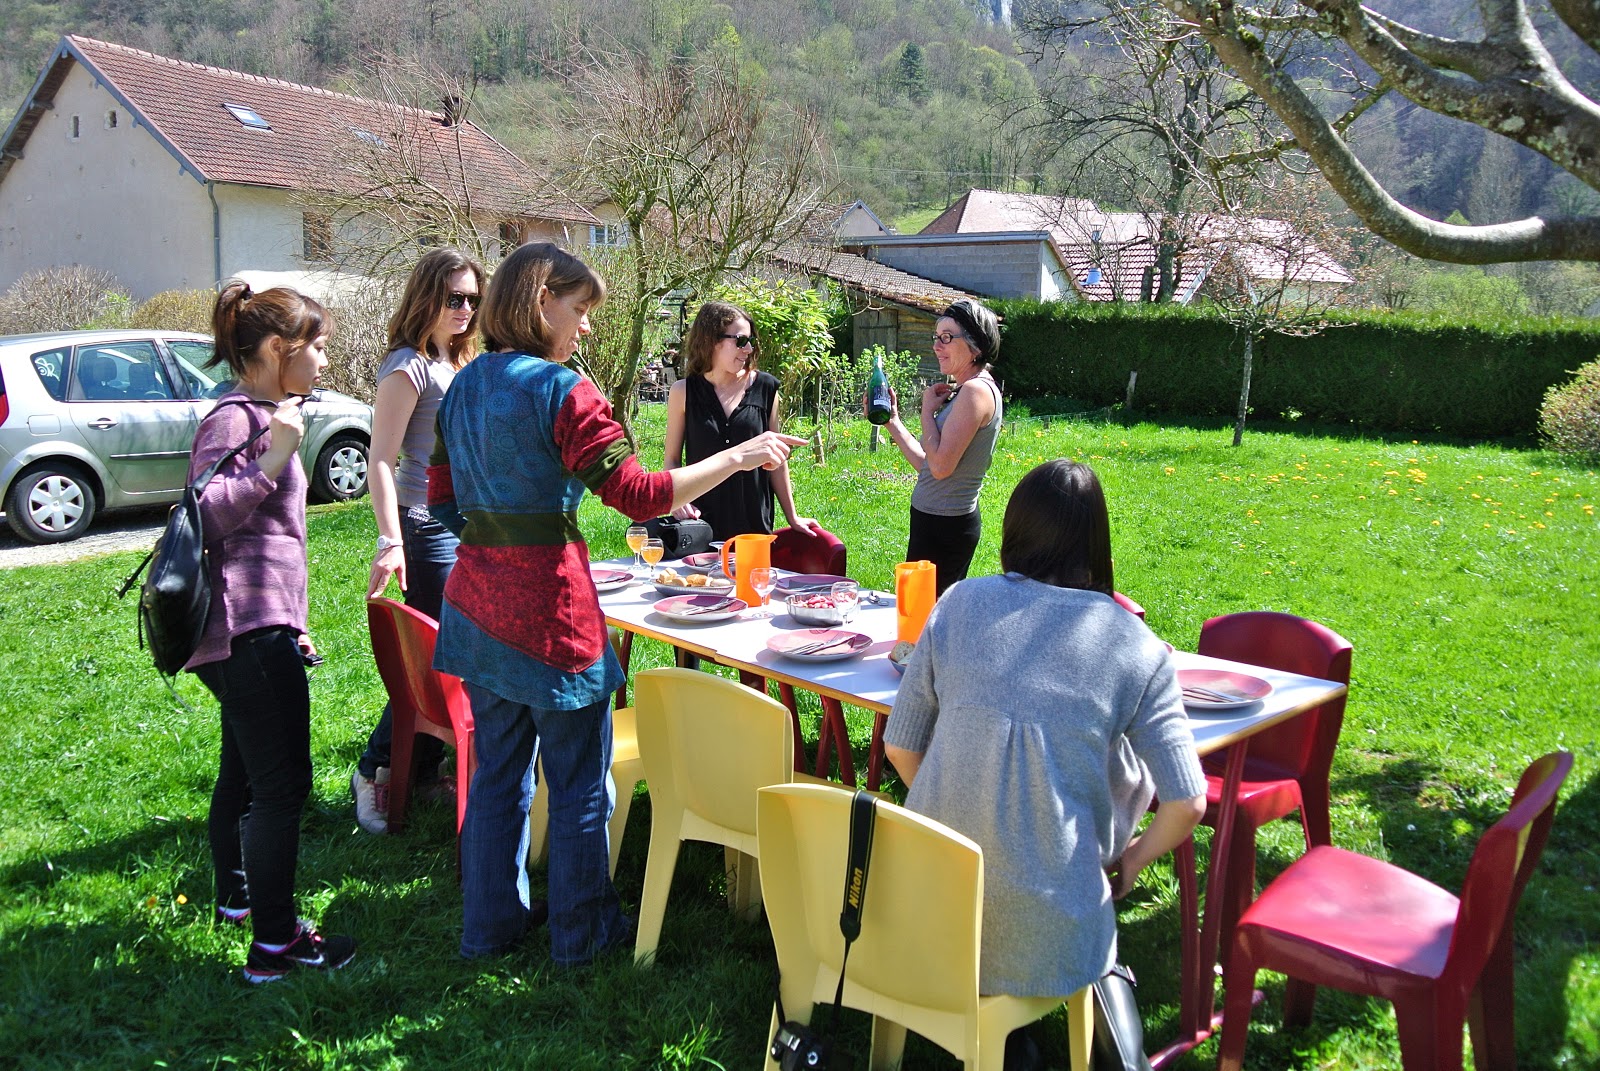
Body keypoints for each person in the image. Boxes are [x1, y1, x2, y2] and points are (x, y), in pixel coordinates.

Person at [426, 242, 803, 964]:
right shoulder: (564, 391)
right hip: (550, 617)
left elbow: (441, 503)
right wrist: (738, 455)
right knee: (577, 782)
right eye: (582, 310)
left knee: (500, 776)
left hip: (475, 611)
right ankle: (582, 933)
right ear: (542, 302)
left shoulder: (465, 385)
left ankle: (491, 927)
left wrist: (498, 543)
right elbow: (637, 493)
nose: (588, 329)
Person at [883, 460, 1206, 1064]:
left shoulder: (958, 604)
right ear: (1096, 542)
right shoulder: (1138, 649)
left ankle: (1011, 1041)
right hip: (1050, 928)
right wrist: (1130, 862)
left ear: (1012, 529)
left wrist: (963, 799)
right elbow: (1188, 801)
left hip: (927, 903)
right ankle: (1104, 1032)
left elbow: (900, 746)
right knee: (1091, 907)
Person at [186, 282, 356, 983]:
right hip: (243, 633)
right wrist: (271, 459)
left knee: (245, 771)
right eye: (315, 346)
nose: (323, 359)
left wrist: (298, 624)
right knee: (282, 788)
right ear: (278, 351)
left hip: (264, 626)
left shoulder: (268, 412)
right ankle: (277, 945)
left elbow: (279, 542)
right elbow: (205, 515)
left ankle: (238, 899)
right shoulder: (236, 419)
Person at [352, 248, 486, 834]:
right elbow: (379, 459)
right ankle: (375, 768)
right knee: (436, 652)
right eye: (453, 298)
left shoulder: (460, 362)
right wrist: (391, 539)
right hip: (422, 521)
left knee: (459, 650)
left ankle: (424, 768)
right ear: (425, 296)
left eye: (472, 301)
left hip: (463, 519)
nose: (463, 309)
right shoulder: (407, 367)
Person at [878, 298, 1004, 594]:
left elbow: (940, 467)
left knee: (923, 620)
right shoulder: (967, 390)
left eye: (947, 337)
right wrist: (893, 422)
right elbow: (928, 466)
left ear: (976, 343)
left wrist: (926, 412)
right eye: (936, 337)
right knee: (916, 615)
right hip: (934, 521)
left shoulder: (975, 391)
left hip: (946, 527)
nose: (937, 345)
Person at [663, 300, 818, 540]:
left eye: (751, 341)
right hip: (699, 524)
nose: (748, 349)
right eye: (740, 341)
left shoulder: (766, 388)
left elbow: (776, 460)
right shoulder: (682, 392)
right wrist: (676, 499)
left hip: (753, 525)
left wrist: (792, 516)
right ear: (712, 340)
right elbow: (672, 460)